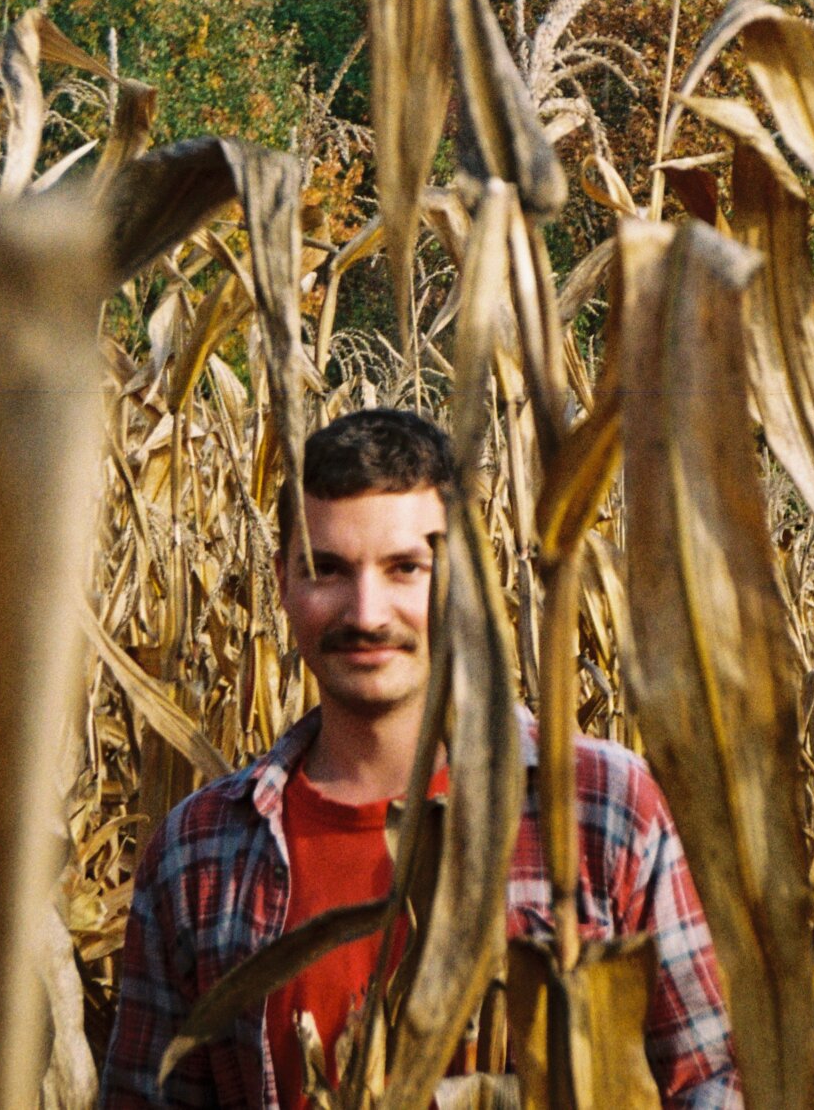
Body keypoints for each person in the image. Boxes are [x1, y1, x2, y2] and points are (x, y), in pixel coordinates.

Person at [100, 407, 741, 1110]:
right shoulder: (195, 855)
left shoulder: (603, 806)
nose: (368, 611)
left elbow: (709, 1086)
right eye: (328, 570)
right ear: (282, 581)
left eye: (406, 568)